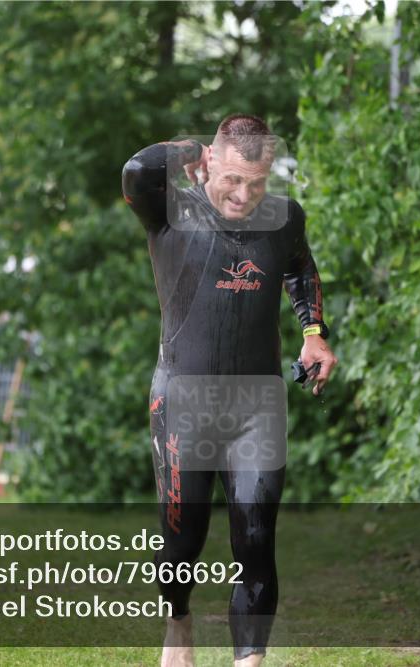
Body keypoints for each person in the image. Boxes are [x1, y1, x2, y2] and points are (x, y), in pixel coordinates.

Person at [122, 114, 337, 667]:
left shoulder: (284, 218)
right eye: (233, 179)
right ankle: (178, 620)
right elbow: (137, 168)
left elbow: (299, 267)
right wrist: (190, 145)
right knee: (180, 547)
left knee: (256, 539)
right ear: (211, 162)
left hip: (256, 406)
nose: (244, 195)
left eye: (258, 183)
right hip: (183, 403)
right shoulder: (171, 209)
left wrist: (314, 333)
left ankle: (249, 660)